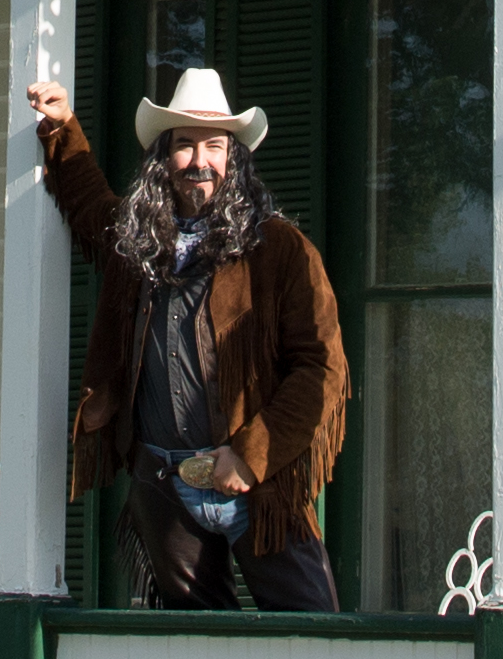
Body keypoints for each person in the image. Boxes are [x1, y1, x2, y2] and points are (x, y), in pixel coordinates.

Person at [27, 63, 346, 612]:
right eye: (185, 147)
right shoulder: (138, 243)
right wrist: (61, 128)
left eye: (215, 147)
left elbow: (322, 368)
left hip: (259, 488)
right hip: (163, 485)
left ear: (234, 158)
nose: (201, 163)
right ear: (162, 160)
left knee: (314, 638)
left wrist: (250, 457)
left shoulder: (283, 251)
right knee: (191, 653)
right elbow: (86, 203)